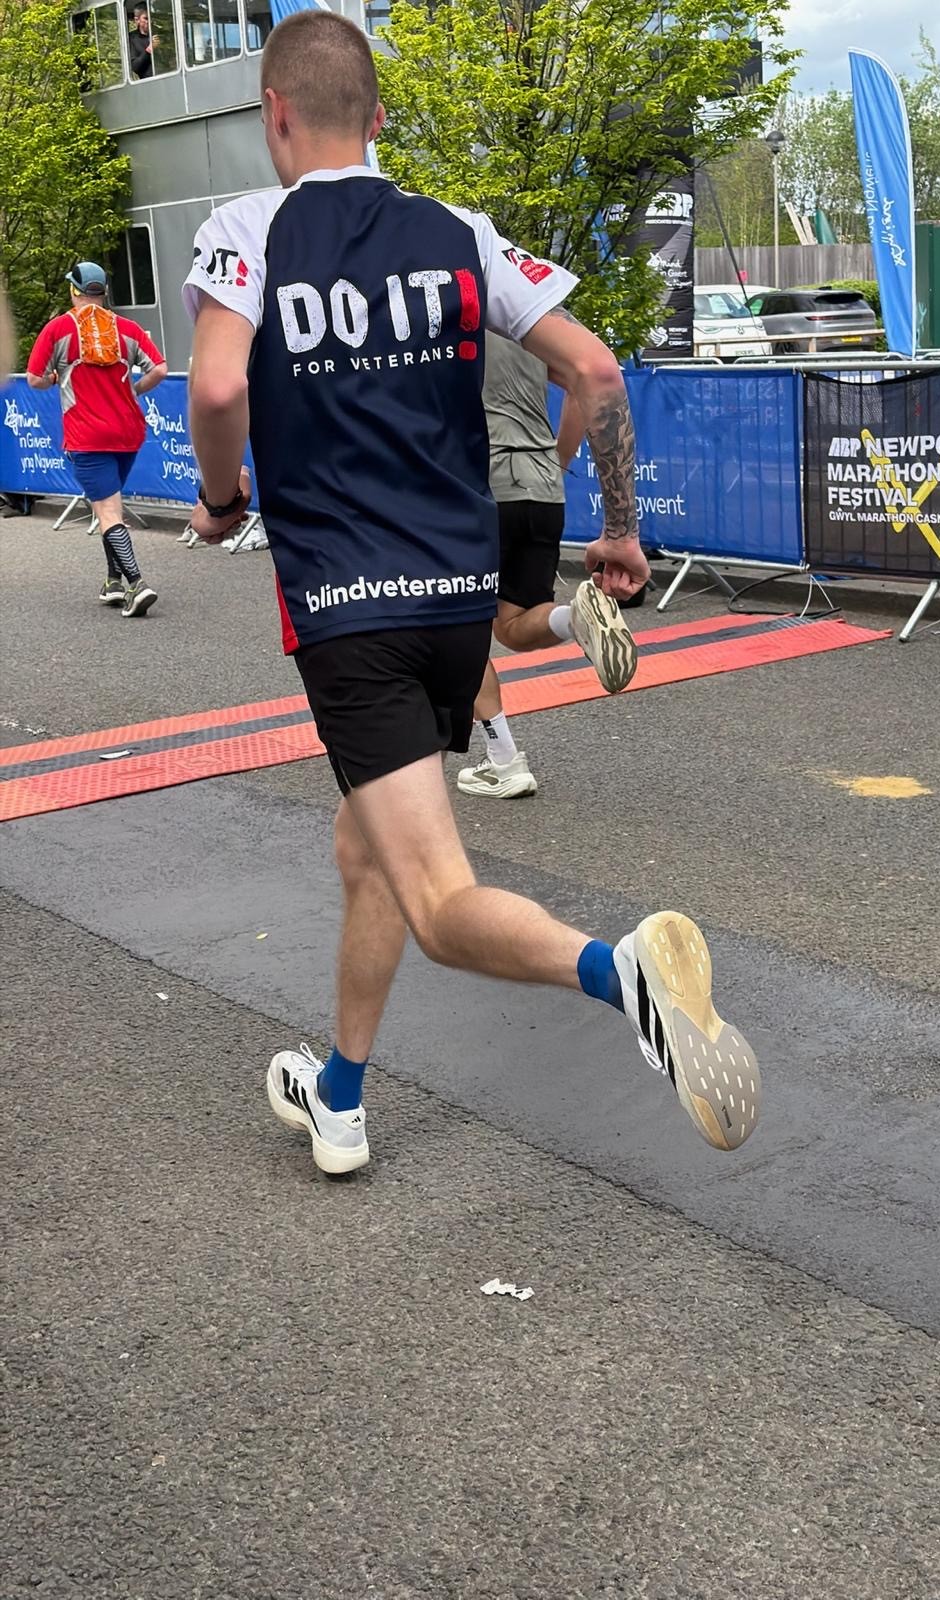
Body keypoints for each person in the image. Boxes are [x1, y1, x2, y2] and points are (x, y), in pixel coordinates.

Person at [183, 9, 760, 1174]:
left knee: (441, 902)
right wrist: (621, 533)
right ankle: (338, 1096)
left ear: (273, 116)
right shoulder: (458, 229)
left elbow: (215, 385)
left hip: (354, 612)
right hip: (458, 598)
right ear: (381, 119)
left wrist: (225, 497)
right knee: (370, 849)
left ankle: (623, 972)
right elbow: (594, 367)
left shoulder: (246, 229)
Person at [457, 334, 636, 799]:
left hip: (480, 484)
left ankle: (503, 761)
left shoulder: (444, 299)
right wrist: (558, 457)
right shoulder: (528, 317)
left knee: (460, 628)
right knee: (513, 624)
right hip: (541, 485)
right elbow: (584, 381)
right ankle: (574, 617)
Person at [26, 261, 167, 616]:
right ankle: (112, 582)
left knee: (106, 511)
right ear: (102, 292)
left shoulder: (57, 329)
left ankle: (137, 585)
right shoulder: (129, 329)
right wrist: (134, 389)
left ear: (74, 291)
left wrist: (56, 377)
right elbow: (160, 369)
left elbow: (34, 379)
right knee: (110, 505)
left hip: (87, 434)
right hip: (129, 431)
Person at [128, 3, 157, 79]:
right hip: (147, 82)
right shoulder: (132, 38)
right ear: (137, 20)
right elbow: (135, 67)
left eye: (152, 18)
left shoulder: (160, 33)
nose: (150, 21)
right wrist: (149, 50)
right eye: (146, 18)